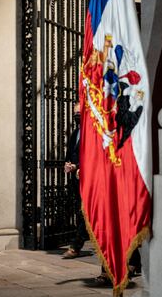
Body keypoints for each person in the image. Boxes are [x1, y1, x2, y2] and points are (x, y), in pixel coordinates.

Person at [62, 102, 89, 259]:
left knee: (85, 214)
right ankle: (134, 260)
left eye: (79, 113)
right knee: (82, 213)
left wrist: (77, 165)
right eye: (75, 113)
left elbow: (92, 155)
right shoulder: (76, 133)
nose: (77, 116)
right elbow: (70, 152)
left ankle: (76, 245)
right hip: (76, 179)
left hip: (88, 179)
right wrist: (67, 164)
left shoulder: (92, 133)